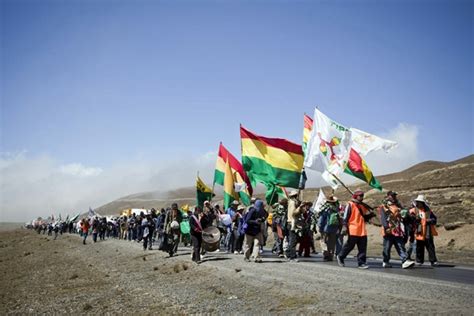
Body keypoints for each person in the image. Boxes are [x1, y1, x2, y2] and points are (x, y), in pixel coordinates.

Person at [337, 189, 376, 269]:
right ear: (355, 196)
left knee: (362, 248)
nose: (362, 197)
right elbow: (346, 217)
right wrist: (344, 226)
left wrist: (371, 215)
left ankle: (361, 263)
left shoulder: (362, 206)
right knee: (349, 246)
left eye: (362, 196)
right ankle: (341, 256)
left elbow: (363, 218)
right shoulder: (350, 204)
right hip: (353, 229)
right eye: (360, 196)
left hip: (362, 230)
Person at [378, 198, 415, 269]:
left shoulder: (398, 207)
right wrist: (386, 227)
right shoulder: (384, 207)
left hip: (397, 230)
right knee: (387, 247)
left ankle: (404, 261)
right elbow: (383, 218)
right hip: (389, 231)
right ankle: (386, 261)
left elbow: (401, 217)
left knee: (400, 246)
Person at [410, 195, 439, 266]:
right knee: (419, 247)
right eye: (417, 202)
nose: (418, 203)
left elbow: (434, 220)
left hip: (427, 232)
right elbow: (410, 219)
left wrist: (426, 221)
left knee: (430, 247)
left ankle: (433, 261)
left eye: (420, 202)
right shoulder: (414, 210)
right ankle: (419, 261)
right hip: (419, 232)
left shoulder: (428, 211)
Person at [317, 195, 340, 261]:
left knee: (323, 241)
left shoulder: (325, 208)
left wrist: (320, 228)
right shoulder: (336, 209)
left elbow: (321, 220)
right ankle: (331, 255)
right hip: (334, 228)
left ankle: (326, 253)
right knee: (332, 243)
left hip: (325, 228)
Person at [286, 190, 303, 262]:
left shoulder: (290, 202)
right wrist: (300, 208)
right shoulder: (293, 203)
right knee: (293, 240)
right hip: (292, 223)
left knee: (292, 240)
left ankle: (289, 254)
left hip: (291, 223)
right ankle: (292, 256)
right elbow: (293, 213)